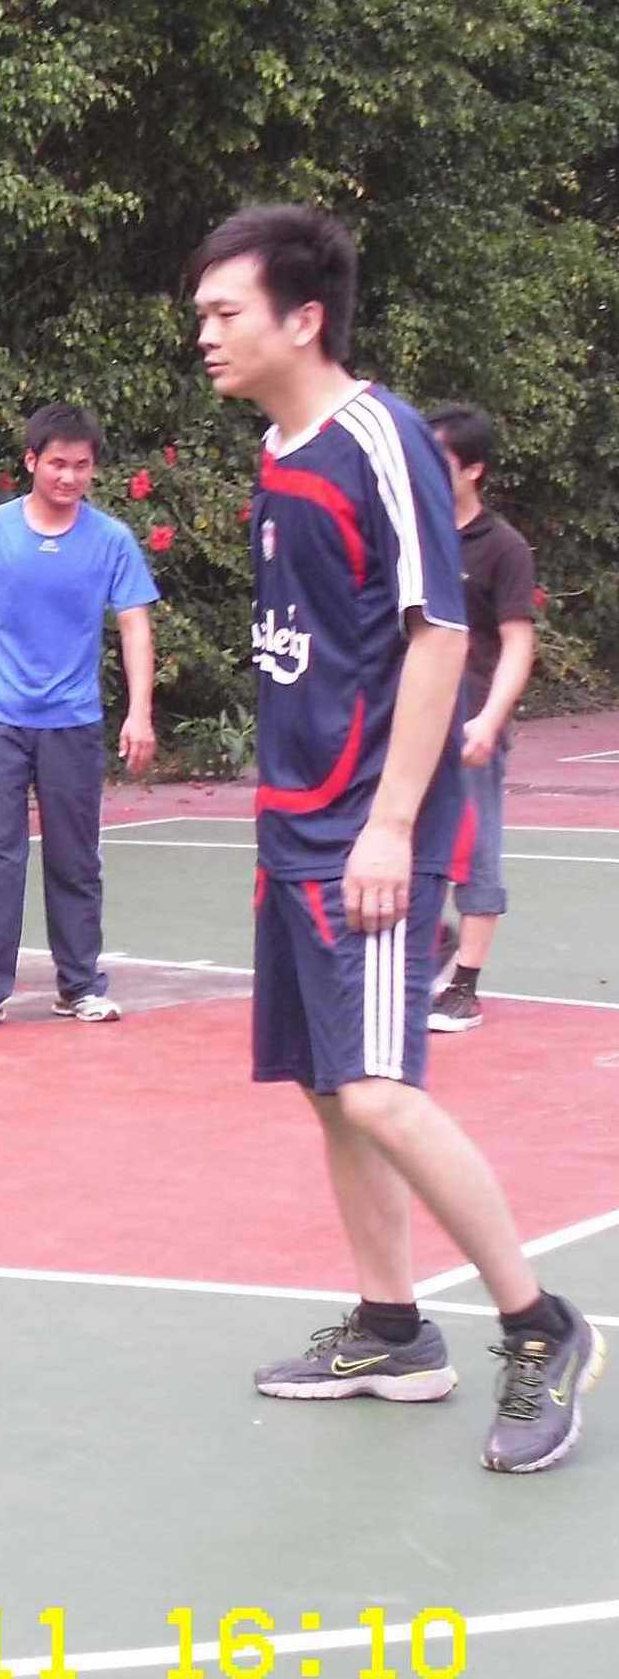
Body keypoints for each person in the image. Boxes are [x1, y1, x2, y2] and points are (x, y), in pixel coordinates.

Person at [193, 203, 595, 1472]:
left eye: (226, 312)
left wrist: (389, 826)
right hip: (298, 824)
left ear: (303, 318)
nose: (205, 333)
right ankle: (392, 1330)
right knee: (331, 1089)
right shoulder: (279, 451)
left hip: (369, 829)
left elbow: (439, 633)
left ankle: (540, 1328)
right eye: (203, 314)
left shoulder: (383, 440)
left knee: (379, 1088)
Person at [0, 403, 160, 1031]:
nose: (69, 476)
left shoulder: (112, 540)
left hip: (74, 722)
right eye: (57, 463)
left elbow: (134, 625)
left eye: (81, 466)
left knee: (75, 856)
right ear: (31, 461)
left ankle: (80, 985)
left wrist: (139, 712)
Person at [421, 403, 538, 1035]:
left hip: (469, 723)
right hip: (410, 721)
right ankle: (431, 940)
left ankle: (464, 987)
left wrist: (490, 719)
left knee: (475, 851)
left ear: (473, 469)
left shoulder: (502, 547)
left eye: (437, 461)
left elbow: (518, 643)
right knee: (397, 841)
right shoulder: (412, 537)